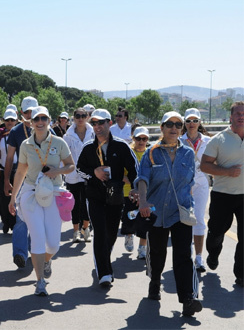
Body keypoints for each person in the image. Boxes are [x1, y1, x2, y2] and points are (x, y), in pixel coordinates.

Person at [133, 111, 202, 316]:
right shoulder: (152, 152)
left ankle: (188, 299)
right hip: (156, 211)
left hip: (180, 210)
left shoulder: (188, 153)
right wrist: (143, 200)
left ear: (181, 129)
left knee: (183, 255)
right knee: (158, 253)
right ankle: (155, 282)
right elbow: (142, 178)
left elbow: (188, 182)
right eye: (169, 124)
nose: (174, 128)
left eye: (178, 125)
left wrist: (188, 203)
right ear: (162, 127)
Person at [9, 106, 74, 296]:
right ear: (31, 122)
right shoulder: (25, 145)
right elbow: (20, 171)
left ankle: (46, 259)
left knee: (53, 244)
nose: (40, 122)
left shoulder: (59, 142)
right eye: (37, 119)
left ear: (49, 121)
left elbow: (71, 165)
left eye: (44, 118)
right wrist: (13, 197)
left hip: (53, 191)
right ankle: (40, 281)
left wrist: (57, 171)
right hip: (31, 193)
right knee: (37, 236)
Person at [76, 108, 138, 287]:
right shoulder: (88, 148)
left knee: (110, 233)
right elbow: (79, 169)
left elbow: (135, 169)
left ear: (109, 123)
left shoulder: (121, 146)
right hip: (94, 196)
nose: (97, 127)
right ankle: (104, 272)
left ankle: (104, 259)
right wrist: (94, 173)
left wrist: (135, 188)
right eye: (94, 123)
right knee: (100, 232)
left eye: (101, 123)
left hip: (115, 197)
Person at [200, 101, 244, 287]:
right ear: (231, 117)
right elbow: (204, 165)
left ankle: (241, 274)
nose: (242, 116)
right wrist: (227, 171)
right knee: (217, 231)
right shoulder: (218, 139)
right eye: (238, 113)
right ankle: (213, 252)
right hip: (222, 195)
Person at [4, 96, 38, 269]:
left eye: (34, 112)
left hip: (42, 182)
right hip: (22, 180)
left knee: (37, 218)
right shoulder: (16, 132)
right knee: (21, 219)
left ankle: (34, 248)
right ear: (21, 113)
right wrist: (6, 180)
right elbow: (9, 158)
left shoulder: (48, 130)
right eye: (27, 112)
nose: (31, 116)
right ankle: (20, 253)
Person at [180, 108, 211, 272]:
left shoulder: (208, 140)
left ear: (200, 122)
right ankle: (185, 254)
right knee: (184, 218)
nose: (192, 124)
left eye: (195, 120)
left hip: (201, 181)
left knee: (199, 218)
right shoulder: (179, 140)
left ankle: (199, 257)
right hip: (184, 183)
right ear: (184, 123)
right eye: (188, 121)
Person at [63, 107, 94, 243]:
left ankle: (85, 229)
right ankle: (76, 231)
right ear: (74, 117)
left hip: (88, 174)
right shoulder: (67, 136)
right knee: (74, 203)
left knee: (87, 203)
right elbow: (63, 156)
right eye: (78, 116)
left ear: (87, 117)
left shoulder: (93, 133)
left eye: (83, 115)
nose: (80, 118)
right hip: (73, 174)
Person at [120, 126, 150, 259]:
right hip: (129, 193)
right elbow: (118, 172)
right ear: (133, 138)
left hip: (147, 194)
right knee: (130, 219)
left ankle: (142, 248)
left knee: (145, 221)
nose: (141, 141)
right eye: (138, 138)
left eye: (144, 139)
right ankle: (129, 235)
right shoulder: (127, 152)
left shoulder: (150, 153)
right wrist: (129, 180)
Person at [0, 108, 18, 234]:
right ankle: (5, 221)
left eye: (12, 120)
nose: (10, 122)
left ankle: (15, 223)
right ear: (3, 121)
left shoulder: (20, 133)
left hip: (18, 171)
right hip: (3, 170)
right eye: (7, 120)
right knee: (3, 198)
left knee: (16, 198)